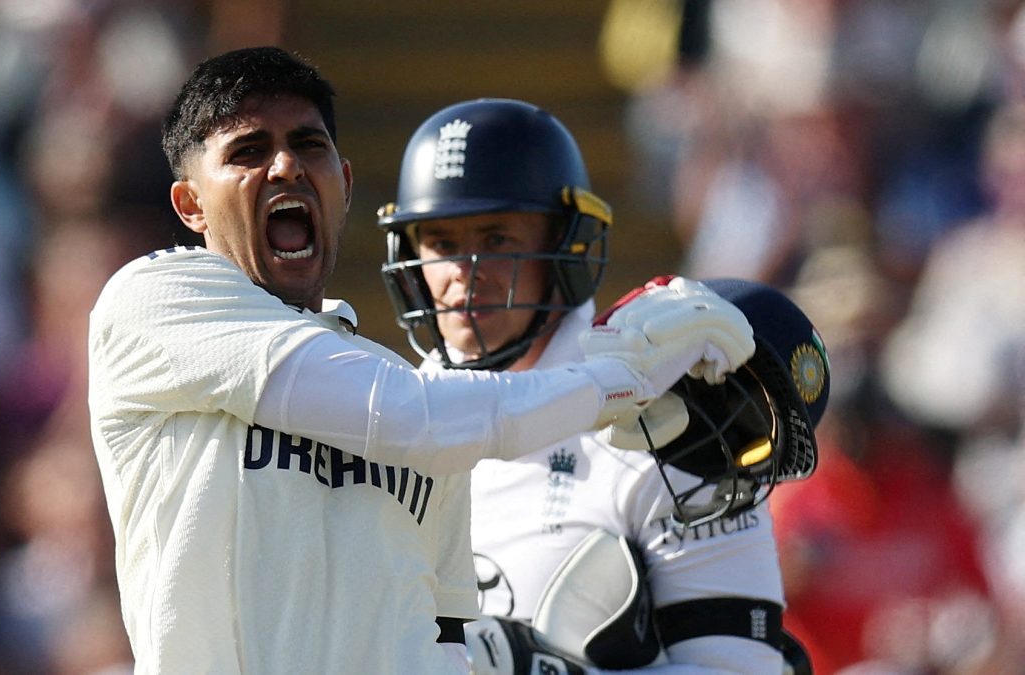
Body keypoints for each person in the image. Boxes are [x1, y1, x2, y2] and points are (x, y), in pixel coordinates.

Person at [87, 49, 757, 675]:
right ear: (190, 204)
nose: (286, 167)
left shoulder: (421, 400)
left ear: (343, 185)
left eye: (308, 144)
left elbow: (442, 641)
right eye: (249, 150)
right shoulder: (154, 303)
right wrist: (624, 377)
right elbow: (404, 415)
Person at [377, 97, 831, 673]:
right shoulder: (385, 419)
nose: (465, 270)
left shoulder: (672, 415)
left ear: (566, 245)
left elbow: (742, 669)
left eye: (495, 239)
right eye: (441, 243)